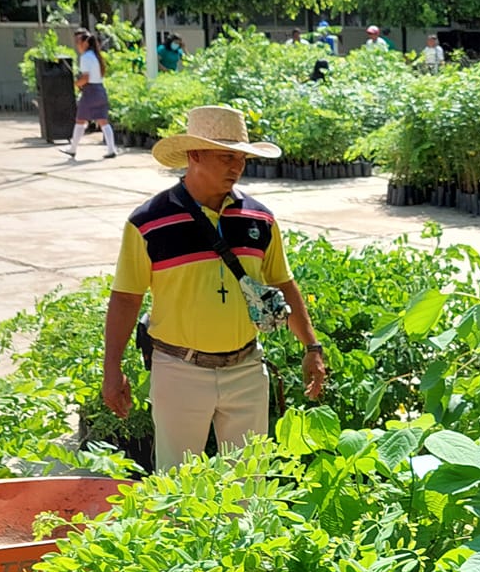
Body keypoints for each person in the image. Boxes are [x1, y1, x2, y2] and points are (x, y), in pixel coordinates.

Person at [103, 106, 329, 468]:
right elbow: (127, 298)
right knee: (178, 483)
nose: (236, 167)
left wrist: (312, 347)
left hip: (246, 367)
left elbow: (283, 284)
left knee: (250, 484)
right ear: (194, 154)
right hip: (179, 370)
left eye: (241, 158)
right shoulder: (149, 222)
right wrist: (112, 369)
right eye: (226, 157)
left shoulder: (259, 218)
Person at [63, 27, 117, 162]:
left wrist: (75, 84)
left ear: (85, 43)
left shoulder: (85, 57)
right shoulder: (96, 56)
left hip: (90, 92)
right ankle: (111, 149)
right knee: (103, 121)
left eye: (78, 42)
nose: (77, 45)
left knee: (80, 120)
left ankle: (73, 149)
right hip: (100, 90)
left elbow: (85, 78)